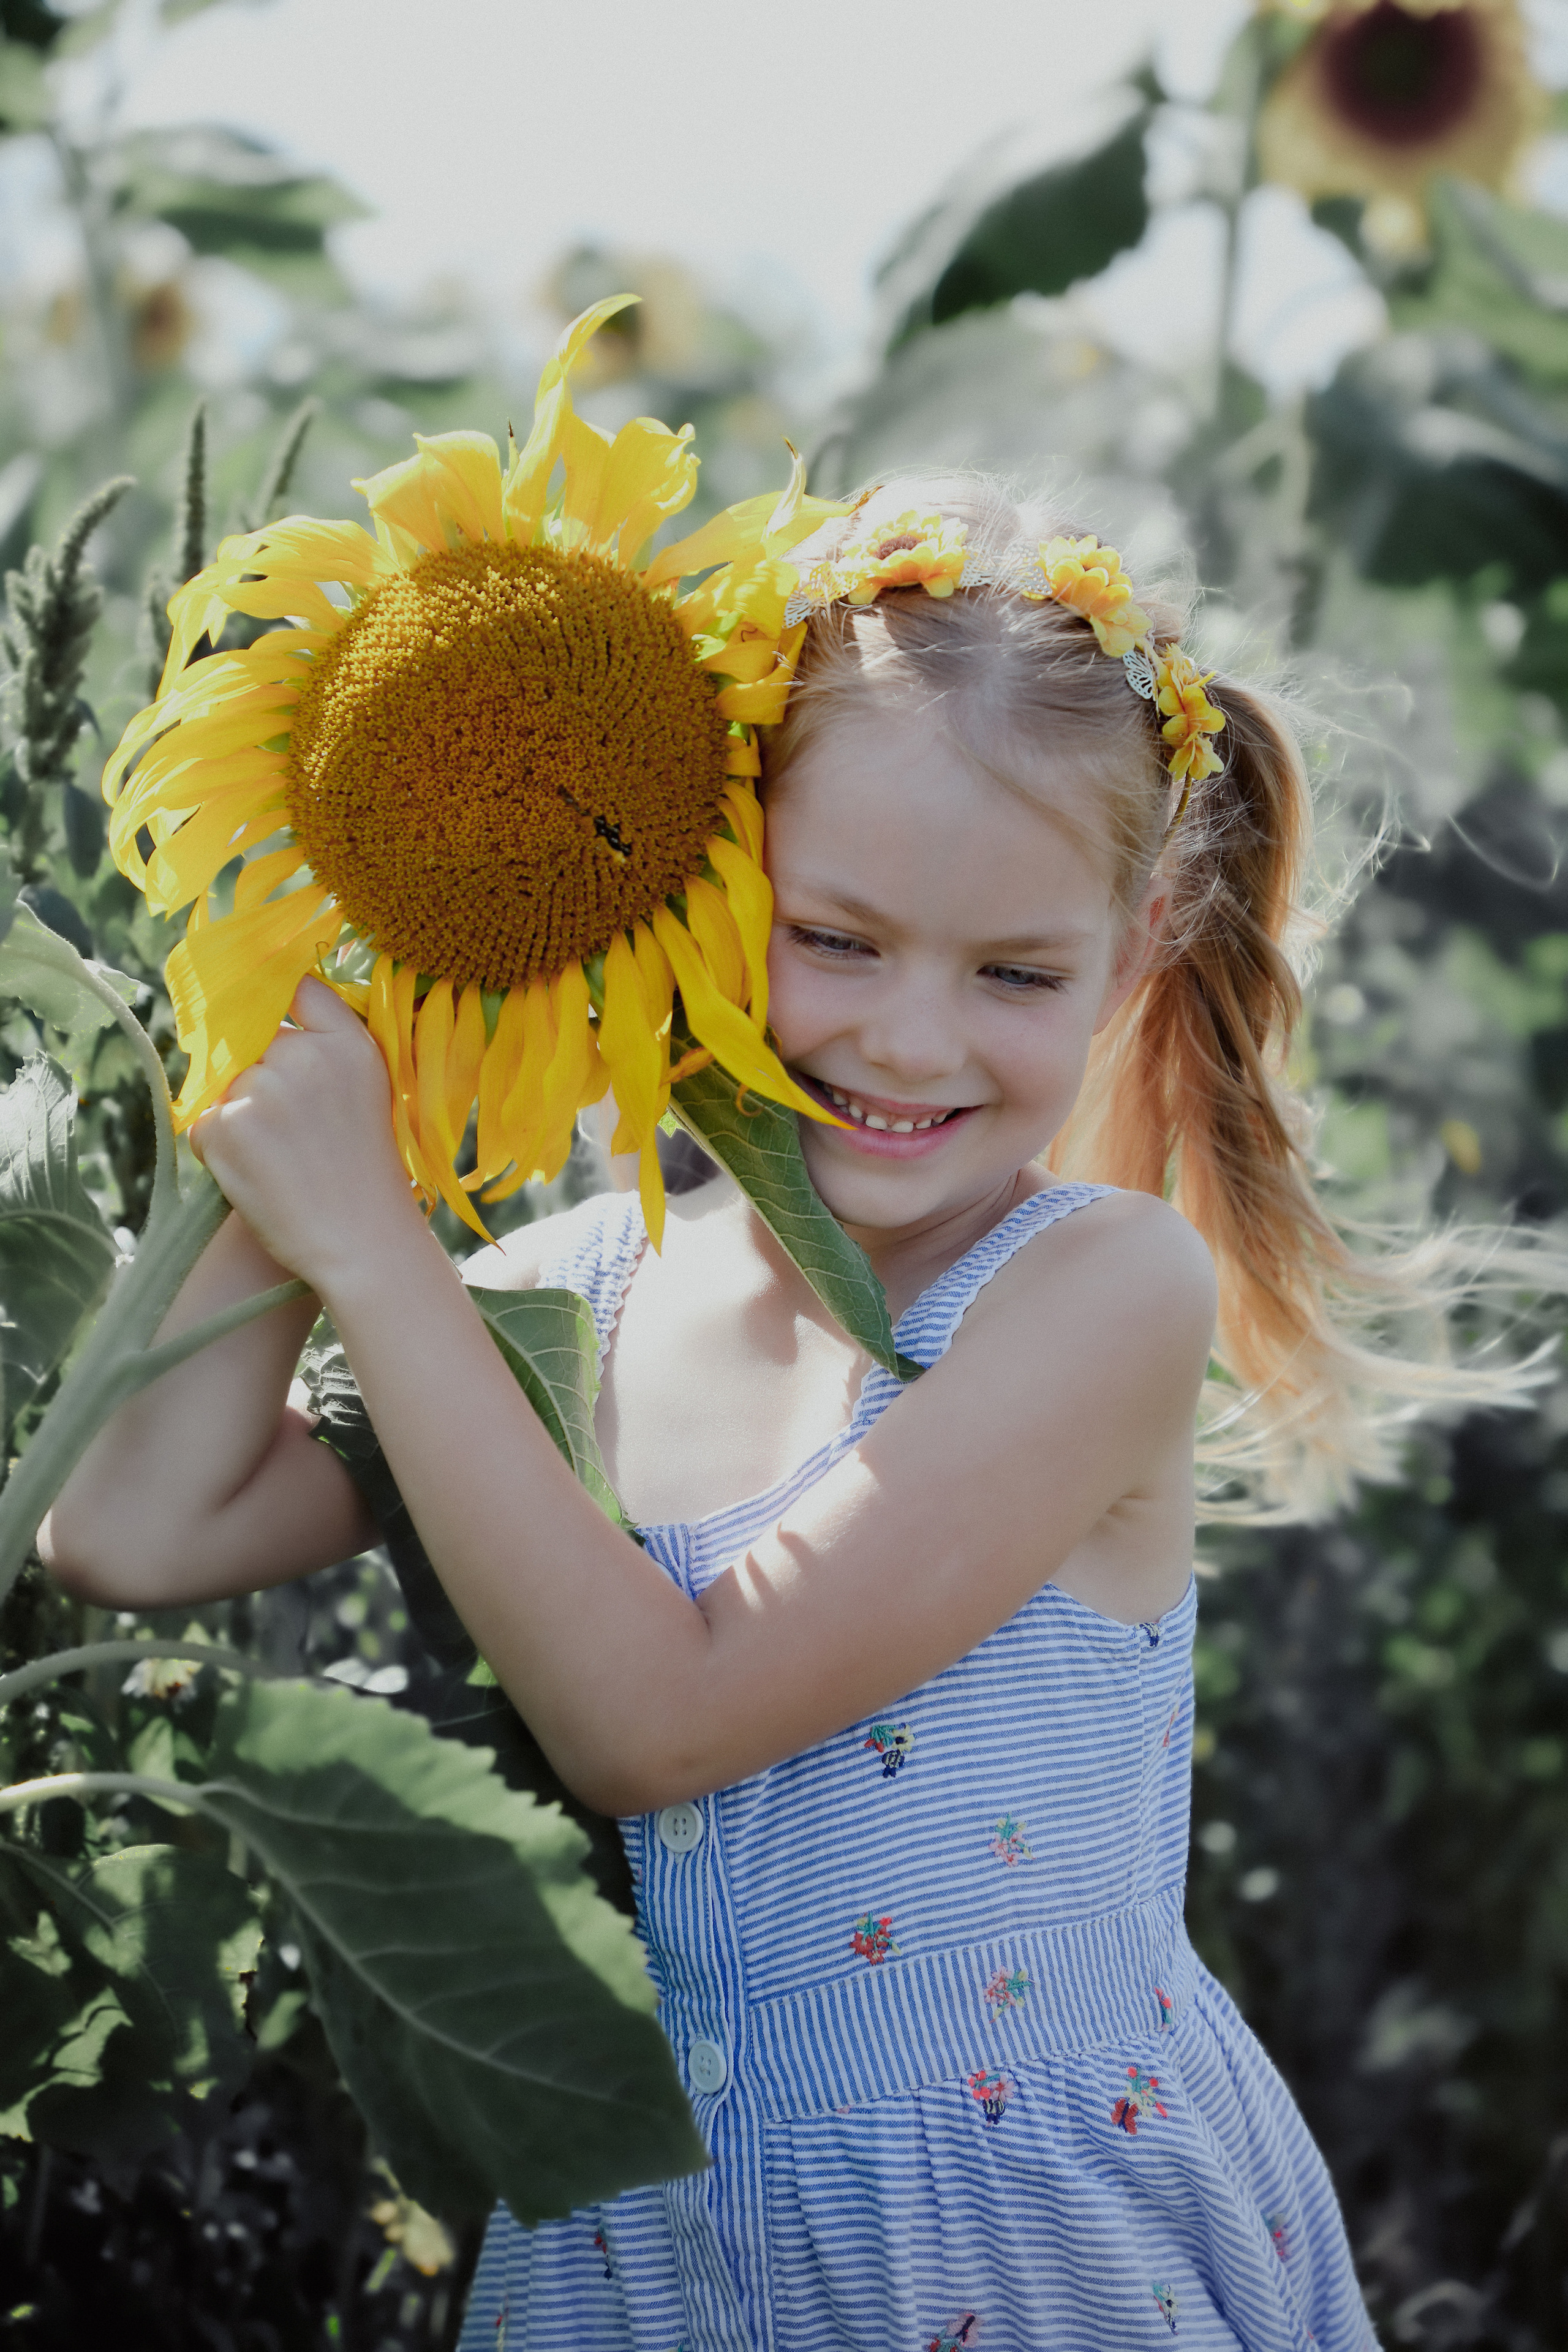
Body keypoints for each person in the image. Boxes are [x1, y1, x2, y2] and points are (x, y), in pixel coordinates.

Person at [50, 472, 1523, 2352]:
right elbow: (134, 1528)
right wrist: (346, 1033)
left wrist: (378, 1249)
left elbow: (660, 1720)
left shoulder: (1092, 1296)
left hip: (1012, 2255)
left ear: (1136, 949)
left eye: (1015, 975)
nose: (911, 1041)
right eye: (835, 940)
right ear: (706, 873)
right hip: (641, 2258)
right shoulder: (587, 1292)